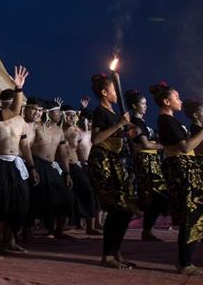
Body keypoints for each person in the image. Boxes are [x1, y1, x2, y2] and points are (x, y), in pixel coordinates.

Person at [152, 82, 203, 276]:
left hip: (186, 167)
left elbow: (191, 147)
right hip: (181, 169)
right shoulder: (166, 121)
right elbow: (184, 147)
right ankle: (185, 263)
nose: (180, 101)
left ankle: (186, 261)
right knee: (192, 213)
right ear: (167, 101)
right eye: (177, 97)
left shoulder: (172, 121)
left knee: (194, 211)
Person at [0, 68, 34, 255]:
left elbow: (25, 146)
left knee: (20, 203)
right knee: (2, 203)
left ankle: (11, 241)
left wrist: (32, 167)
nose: (14, 107)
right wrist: (18, 89)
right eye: (10, 103)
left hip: (16, 163)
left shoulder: (20, 121)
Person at [88, 74, 134, 270]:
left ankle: (116, 251)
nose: (117, 93)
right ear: (104, 93)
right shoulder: (100, 111)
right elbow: (96, 139)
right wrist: (119, 125)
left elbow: (126, 134)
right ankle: (107, 255)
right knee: (116, 208)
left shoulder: (115, 113)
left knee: (126, 209)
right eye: (114, 90)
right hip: (102, 161)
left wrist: (128, 128)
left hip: (115, 162)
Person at [124, 89, 167, 242]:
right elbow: (145, 144)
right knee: (155, 195)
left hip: (149, 161)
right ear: (135, 105)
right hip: (145, 161)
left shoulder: (140, 122)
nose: (146, 106)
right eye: (143, 104)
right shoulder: (136, 122)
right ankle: (132, 207)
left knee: (153, 196)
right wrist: (163, 146)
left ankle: (147, 230)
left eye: (146, 103)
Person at [29, 99, 74, 239]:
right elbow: (26, 148)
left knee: (66, 197)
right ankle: (29, 232)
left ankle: (58, 231)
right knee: (38, 199)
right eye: (57, 112)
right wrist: (31, 168)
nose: (60, 115)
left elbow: (63, 153)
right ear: (48, 113)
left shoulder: (59, 130)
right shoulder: (35, 127)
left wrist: (67, 173)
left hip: (51, 166)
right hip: (36, 164)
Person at [62, 105, 99, 235]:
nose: (71, 118)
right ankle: (58, 229)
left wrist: (85, 165)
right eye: (68, 115)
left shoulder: (77, 132)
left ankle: (90, 226)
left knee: (87, 191)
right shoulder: (56, 130)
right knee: (65, 196)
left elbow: (80, 151)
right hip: (58, 165)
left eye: (73, 115)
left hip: (74, 165)